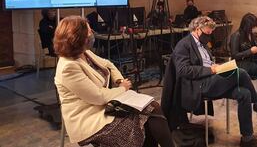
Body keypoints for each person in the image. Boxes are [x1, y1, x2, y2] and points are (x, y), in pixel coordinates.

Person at [162, 16, 257, 147]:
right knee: (240, 72)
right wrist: (211, 70)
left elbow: (208, 63)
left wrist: (219, 67)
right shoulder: (184, 45)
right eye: (207, 33)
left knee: (245, 93)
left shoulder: (202, 44)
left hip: (212, 81)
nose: (209, 37)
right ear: (197, 29)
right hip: (199, 85)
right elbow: (183, 70)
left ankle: (247, 139)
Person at [54, 16, 174, 147]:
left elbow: (108, 64)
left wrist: (119, 80)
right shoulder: (68, 67)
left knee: (153, 107)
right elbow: (98, 97)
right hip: (90, 119)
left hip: (104, 105)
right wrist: (122, 88)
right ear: (78, 37)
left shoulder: (84, 53)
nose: (92, 34)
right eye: (89, 32)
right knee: (144, 122)